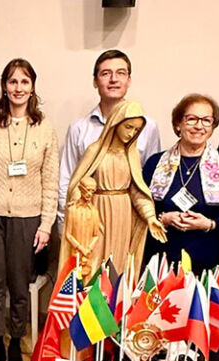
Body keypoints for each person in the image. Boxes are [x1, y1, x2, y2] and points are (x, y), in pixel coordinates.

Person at [0, 58, 59, 361]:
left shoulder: (45, 128)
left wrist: (46, 224)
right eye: (12, 81)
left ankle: (16, 340)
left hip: (28, 218)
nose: (18, 88)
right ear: (4, 86)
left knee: (19, 284)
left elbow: (50, 180)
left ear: (32, 87)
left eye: (24, 81)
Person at [58, 49, 161, 232]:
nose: (113, 79)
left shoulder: (147, 127)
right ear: (95, 81)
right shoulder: (79, 129)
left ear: (129, 80)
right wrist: (66, 222)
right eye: (105, 73)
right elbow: (67, 180)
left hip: (128, 218)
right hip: (88, 220)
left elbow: (149, 181)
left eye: (120, 73)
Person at [64, 99, 166, 275]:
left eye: (136, 130)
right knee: (93, 261)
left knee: (117, 263)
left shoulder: (132, 155)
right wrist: (77, 207)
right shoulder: (95, 150)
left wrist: (150, 217)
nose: (131, 133)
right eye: (128, 127)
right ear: (116, 122)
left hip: (123, 214)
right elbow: (78, 184)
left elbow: (137, 191)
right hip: (97, 211)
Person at [144, 94, 219, 276]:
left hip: (210, 259)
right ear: (178, 124)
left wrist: (209, 224)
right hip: (162, 257)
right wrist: (162, 219)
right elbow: (138, 211)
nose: (199, 126)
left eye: (206, 120)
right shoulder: (155, 163)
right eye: (191, 119)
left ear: (212, 127)